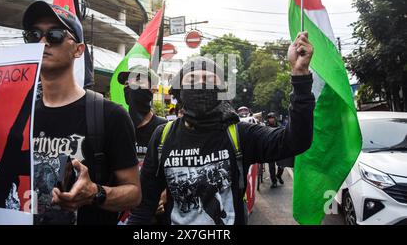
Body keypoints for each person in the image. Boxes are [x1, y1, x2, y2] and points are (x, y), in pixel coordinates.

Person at [128, 32, 315, 225]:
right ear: (179, 91)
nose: (200, 85)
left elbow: (296, 140)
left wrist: (300, 76)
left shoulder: (240, 134)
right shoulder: (162, 137)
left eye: (209, 81)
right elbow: (144, 205)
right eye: (191, 81)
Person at [22, 1, 140, 225]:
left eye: (55, 34)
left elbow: (134, 193)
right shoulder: (17, 113)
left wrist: (95, 193)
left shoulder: (110, 115)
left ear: (78, 50)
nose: (42, 41)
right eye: (33, 34)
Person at [117, 65, 169, 224]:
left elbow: (176, 170)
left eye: (139, 79)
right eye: (128, 82)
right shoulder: (117, 128)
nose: (131, 85)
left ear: (153, 89)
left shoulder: (165, 130)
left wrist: (165, 195)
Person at [266, 112, 285, 188]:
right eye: (269, 118)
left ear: (274, 118)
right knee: (271, 166)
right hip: (270, 148)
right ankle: (274, 181)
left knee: (282, 165)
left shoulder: (279, 126)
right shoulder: (265, 127)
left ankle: (279, 176)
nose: (271, 119)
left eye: (272, 118)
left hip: (278, 148)